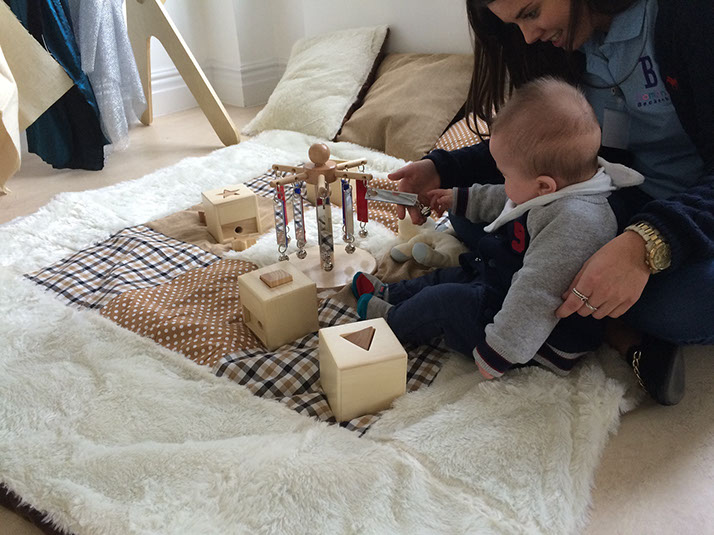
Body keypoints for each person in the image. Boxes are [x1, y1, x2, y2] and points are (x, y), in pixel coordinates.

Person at [387, 0, 714, 404]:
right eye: (514, 24)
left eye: (530, 13)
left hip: (694, 215)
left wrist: (647, 245)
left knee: (689, 303)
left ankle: (587, 311)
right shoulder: (566, 42)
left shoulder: (691, 16)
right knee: (474, 206)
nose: (528, 37)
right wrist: (442, 169)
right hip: (611, 194)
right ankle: (598, 315)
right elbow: (540, 149)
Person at [352, 77, 643, 379]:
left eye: (505, 175)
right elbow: (505, 197)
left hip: (540, 337)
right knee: (460, 272)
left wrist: (500, 351)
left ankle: (393, 321)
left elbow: (537, 294)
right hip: (504, 282)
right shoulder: (558, 186)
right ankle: (392, 293)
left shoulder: (575, 225)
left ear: (544, 186)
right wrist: (458, 198)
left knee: (445, 302)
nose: (502, 181)